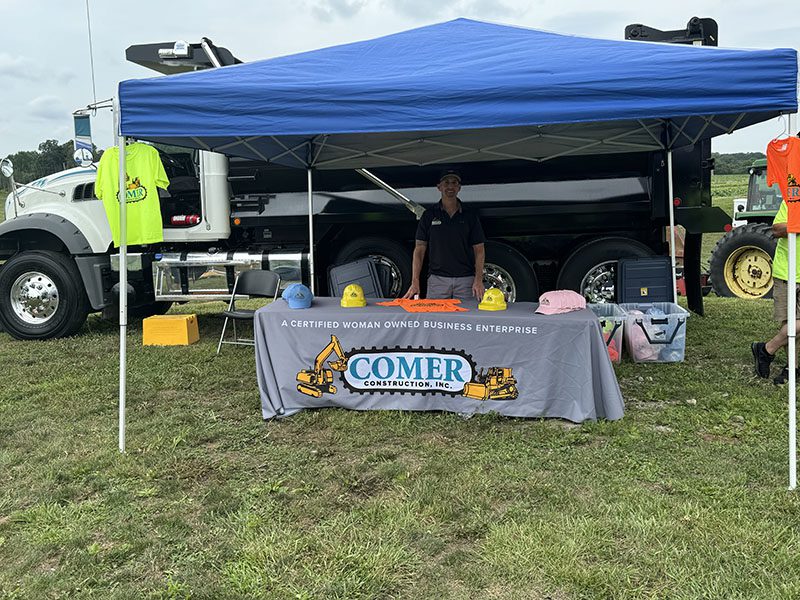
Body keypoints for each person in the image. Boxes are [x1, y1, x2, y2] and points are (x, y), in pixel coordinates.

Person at [403, 169, 486, 300]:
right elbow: (419, 250)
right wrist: (415, 281)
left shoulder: (470, 216)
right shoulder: (429, 215)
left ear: (459, 188)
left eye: (454, 183)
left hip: (465, 281)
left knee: (466, 320)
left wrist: (478, 280)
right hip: (437, 281)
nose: (450, 186)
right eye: (446, 182)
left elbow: (479, 250)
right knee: (435, 320)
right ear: (439, 187)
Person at [752, 200, 800, 384]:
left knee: (795, 325)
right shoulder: (792, 200)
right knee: (791, 323)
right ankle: (791, 369)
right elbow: (777, 229)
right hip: (788, 272)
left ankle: (766, 349)